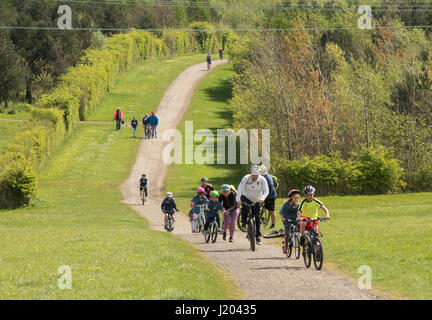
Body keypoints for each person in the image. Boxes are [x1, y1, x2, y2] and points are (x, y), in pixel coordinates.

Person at [236, 165, 269, 244]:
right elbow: (240, 188)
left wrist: (263, 198)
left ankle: (258, 236)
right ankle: (243, 223)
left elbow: (266, 191)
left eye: (256, 175)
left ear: (259, 174)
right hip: (246, 197)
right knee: (245, 208)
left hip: (257, 199)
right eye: (253, 175)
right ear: (251, 173)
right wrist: (238, 199)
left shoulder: (262, 180)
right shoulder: (246, 178)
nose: (255, 177)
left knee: (257, 217)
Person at [279, 189, 300, 254]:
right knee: (287, 233)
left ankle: (298, 240)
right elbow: (281, 212)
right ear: (291, 198)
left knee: (299, 229)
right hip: (287, 220)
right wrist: (283, 218)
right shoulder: (286, 204)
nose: (296, 199)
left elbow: (301, 212)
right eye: (295, 198)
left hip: (295, 219)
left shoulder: (298, 205)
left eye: (298, 198)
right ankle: (285, 246)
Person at [260, 165, 278, 229]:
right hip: (265, 195)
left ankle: (273, 224)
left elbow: (271, 189)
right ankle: (260, 218)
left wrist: (266, 196)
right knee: (260, 206)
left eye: (260, 171)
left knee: (271, 211)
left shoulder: (268, 178)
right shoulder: (262, 177)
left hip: (271, 196)